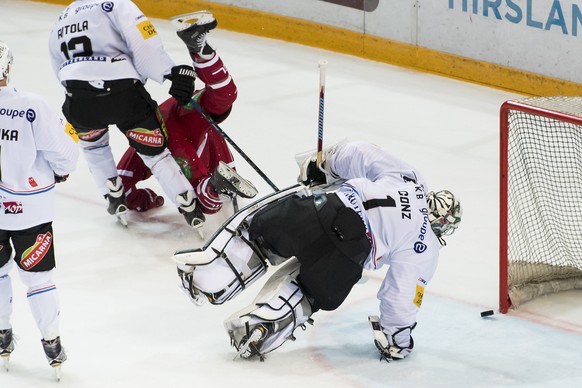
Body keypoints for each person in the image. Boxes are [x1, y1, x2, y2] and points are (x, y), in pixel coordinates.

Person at [172, 140, 462, 361]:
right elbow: (402, 295)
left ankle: (204, 277)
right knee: (310, 292)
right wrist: (396, 339)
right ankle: (257, 329)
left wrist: (323, 167)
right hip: (349, 255)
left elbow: (360, 152)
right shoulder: (425, 247)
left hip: (319, 209)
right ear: (443, 226)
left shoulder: (409, 179)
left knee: (259, 236)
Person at [48, 0, 206, 227]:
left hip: (78, 101)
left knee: (94, 146)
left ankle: (112, 192)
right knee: (156, 155)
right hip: (124, 97)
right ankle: (188, 204)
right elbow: (144, 42)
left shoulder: (62, 18)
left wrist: (81, 92)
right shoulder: (115, 5)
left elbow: (58, 66)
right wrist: (169, 72)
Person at [116, 11, 257, 216]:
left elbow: (121, 183)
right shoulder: (187, 151)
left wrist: (145, 199)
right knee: (209, 201)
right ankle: (201, 51)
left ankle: (199, 48)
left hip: (166, 120)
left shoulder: (154, 147)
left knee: (223, 96)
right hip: (168, 123)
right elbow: (122, 182)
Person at [0, 41, 79, 374]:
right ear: (8, 67)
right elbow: (66, 154)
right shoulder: (30, 105)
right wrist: (58, 170)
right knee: (39, 278)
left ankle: (2, 337)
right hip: (31, 210)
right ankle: (52, 343)